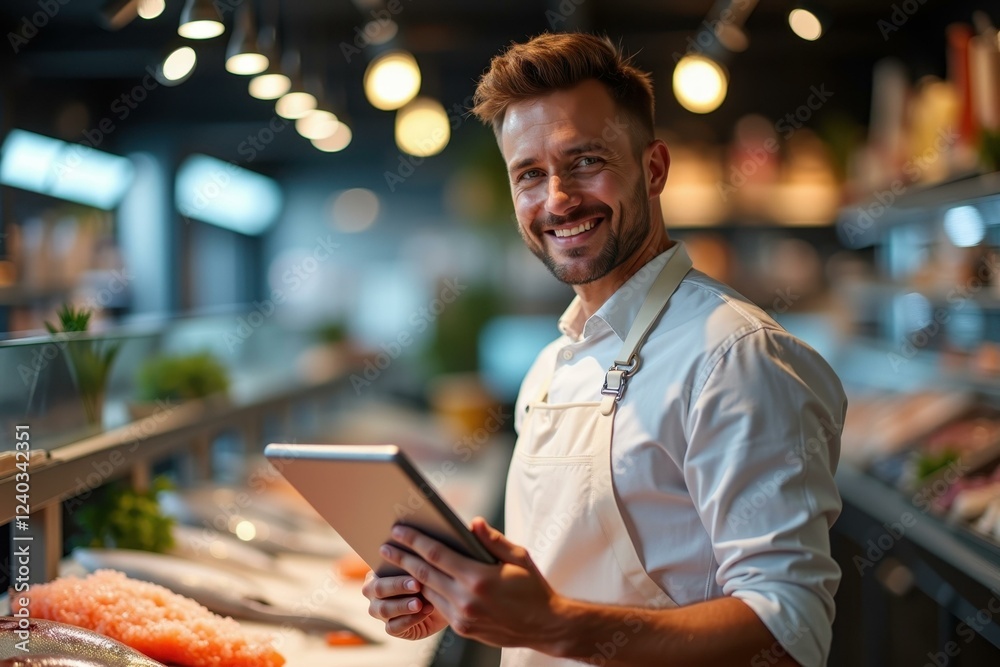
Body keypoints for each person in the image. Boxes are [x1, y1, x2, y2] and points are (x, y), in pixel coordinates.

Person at [362, 32, 846, 667]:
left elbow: (791, 630)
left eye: (585, 161)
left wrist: (558, 626)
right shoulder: (550, 366)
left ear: (653, 169)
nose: (556, 199)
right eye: (529, 174)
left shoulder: (737, 357)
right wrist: (452, 591)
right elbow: (569, 569)